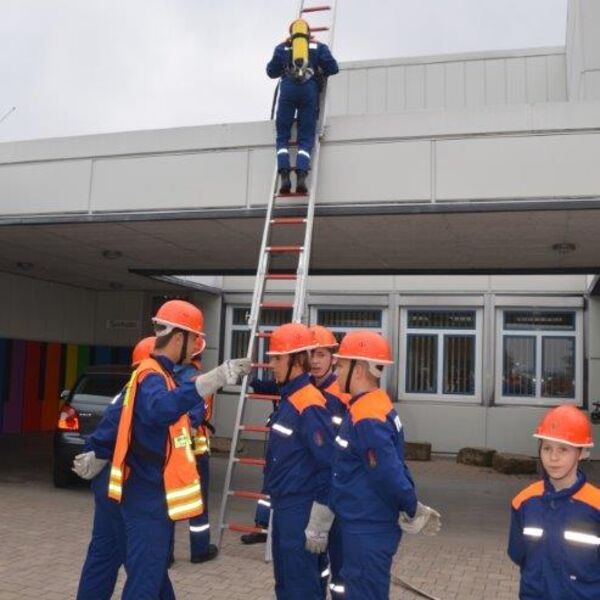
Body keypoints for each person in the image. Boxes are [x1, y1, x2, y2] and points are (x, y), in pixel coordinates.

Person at [107, 299, 250, 599]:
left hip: (151, 495)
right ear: (178, 338)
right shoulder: (152, 376)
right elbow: (160, 409)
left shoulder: (161, 375)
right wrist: (213, 380)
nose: (197, 346)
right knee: (144, 583)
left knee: (155, 578)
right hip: (147, 496)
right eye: (195, 339)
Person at [330, 330, 441, 600]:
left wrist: (413, 508)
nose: (336, 371)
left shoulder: (367, 416)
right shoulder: (372, 405)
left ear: (358, 370)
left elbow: (388, 472)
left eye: (341, 364)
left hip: (367, 526)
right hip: (365, 523)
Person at [74, 336, 159, 600]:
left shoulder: (129, 390)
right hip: (127, 486)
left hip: (110, 483)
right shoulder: (145, 392)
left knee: (103, 555)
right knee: (144, 565)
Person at [264, 322, 335, 599]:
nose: (271, 364)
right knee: (286, 583)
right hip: (285, 506)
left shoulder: (309, 403)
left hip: (301, 509)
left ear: (296, 360)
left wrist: (320, 518)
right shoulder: (291, 398)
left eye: (277, 358)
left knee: (299, 586)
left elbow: (329, 465)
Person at [508, 405, 600, 600]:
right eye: (547, 448)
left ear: (582, 452)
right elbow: (518, 554)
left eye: (563, 449)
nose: (553, 457)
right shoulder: (524, 502)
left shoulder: (596, 506)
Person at [267, 18, 338, 195]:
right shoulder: (318, 47)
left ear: (291, 33)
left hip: (288, 91)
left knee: (282, 137)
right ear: (308, 33)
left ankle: (284, 177)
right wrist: (319, 70)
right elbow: (334, 68)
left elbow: (271, 72)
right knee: (306, 137)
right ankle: (301, 177)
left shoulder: (282, 48)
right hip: (309, 91)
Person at [308, 325, 350, 598]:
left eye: (321, 354)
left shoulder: (340, 396)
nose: (314, 360)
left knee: (341, 562)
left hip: (338, 490)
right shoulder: (306, 390)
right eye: (310, 354)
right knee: (316, 559)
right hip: (314, 488)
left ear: (333, 358)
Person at [173, 336, 219, 564]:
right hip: (196, 450)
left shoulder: (166, 375)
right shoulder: (198, 379)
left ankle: (165, 554)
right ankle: (200, 550)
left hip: (171, 449)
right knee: (198, 502)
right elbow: (196, 415)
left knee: (169, 499)